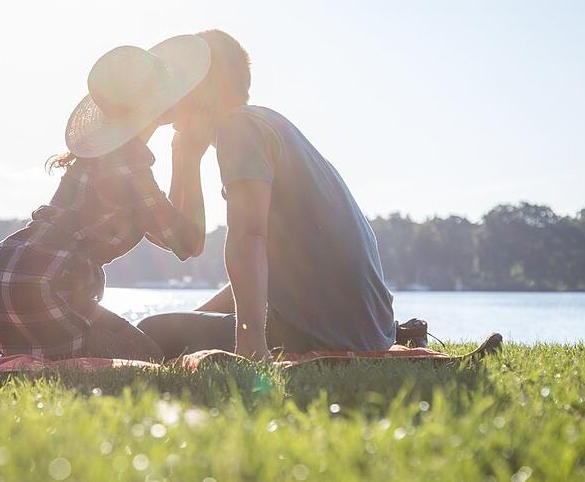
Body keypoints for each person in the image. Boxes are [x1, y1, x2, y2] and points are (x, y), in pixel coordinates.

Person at [138, 30, 397, 360]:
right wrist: (184, 158)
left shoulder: (239, 129)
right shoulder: (262, 123)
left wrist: (250, 343)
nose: (170, 99)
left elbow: (248, 237)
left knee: (151, 332)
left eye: (178, 82)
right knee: (168, 328)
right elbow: (202, 247)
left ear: (202, 87)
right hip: (368, 330)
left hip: (326, 332)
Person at [0, 35, 211, 361]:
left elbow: (165, 228)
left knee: (141, 351)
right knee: (148, 361)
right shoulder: (129, 165)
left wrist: (178, 154)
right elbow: (189, 242)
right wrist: (188, 159)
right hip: (40, 288)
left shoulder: (104, 159)